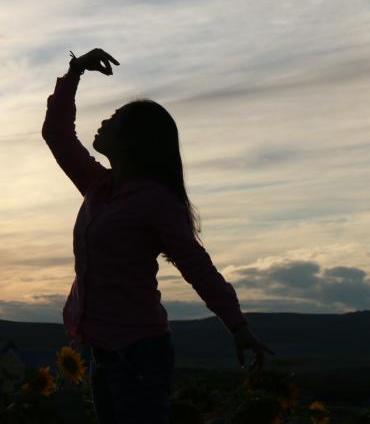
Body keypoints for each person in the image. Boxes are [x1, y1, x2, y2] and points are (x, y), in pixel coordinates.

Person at [42, 47, 273, 423]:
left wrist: (238, 327)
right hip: (103, 352)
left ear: (133, 139)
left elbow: (198, 267)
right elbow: (56, 133)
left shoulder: (156, 202)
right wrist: (74, 73)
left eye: (114, 119)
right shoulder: (100, 186)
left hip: (139, 355)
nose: (103, 122)